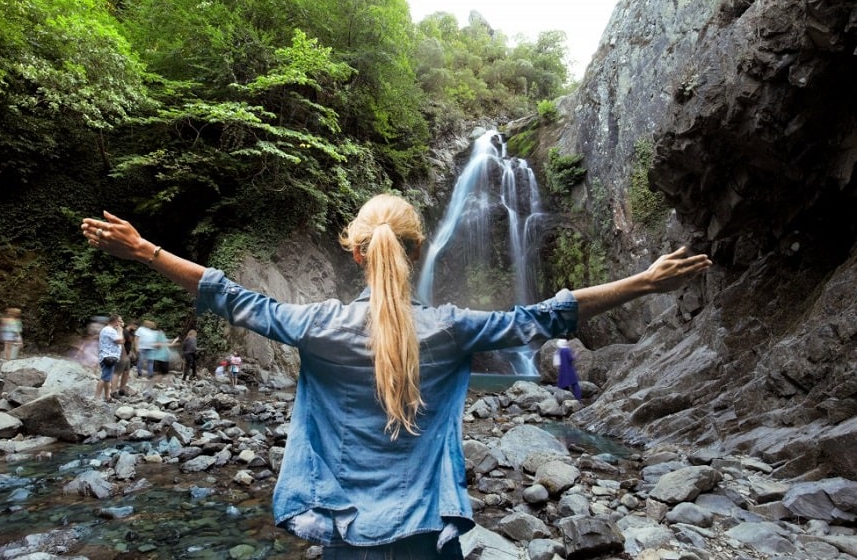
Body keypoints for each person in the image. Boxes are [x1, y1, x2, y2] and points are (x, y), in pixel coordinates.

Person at [81, 195, 711, 557]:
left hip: (345, 529)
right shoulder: (453, 328)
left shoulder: (316, 325)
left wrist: (144, 250)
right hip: (428, 532)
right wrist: (644, 282)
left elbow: (232, 297)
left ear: (356, 253)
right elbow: (545, 317)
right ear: (414, 253)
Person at [96, 314, 124, 402]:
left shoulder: (108, 329)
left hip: (107, 356)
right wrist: (120, 331)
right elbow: (120, 340)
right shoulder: (109, 330)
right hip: (108, 356)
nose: (121, 323)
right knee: (104, 377)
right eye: (120, 321)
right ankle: (96, 398)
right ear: (115, 321)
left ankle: (107, 397)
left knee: (107, 378)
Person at [113, 320, 137, 396]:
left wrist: (131, 352)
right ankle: (113, 391)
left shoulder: (130, 333)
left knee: (126, 372)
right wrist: (124, 355)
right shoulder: (124, 332)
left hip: (127, 354)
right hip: (121, 355)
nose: (136, 328)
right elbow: (121, 343)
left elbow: (130, 343)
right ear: (132, 324)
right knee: (117, 373)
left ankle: (122, 390)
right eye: (135, 326)